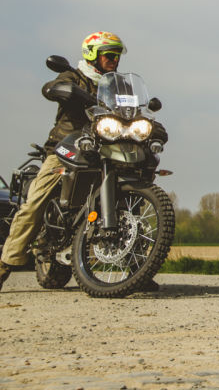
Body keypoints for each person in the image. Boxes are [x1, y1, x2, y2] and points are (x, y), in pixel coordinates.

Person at [0, 32, 126, 291]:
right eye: (109, 55)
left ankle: (138, 268)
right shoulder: (73, 76)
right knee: (34, 204)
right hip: (66, 149)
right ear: (92, 54)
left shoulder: (117, 86)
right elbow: (52, 87)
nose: (114, 60)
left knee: (128, 197)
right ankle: (5, 263)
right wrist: (63, 90)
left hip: (105, 151)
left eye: (116, 55)